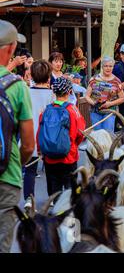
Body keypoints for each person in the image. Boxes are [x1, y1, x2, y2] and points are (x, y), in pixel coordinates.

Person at [0, 20, 34, 253]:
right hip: (7, 174)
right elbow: (29, 144)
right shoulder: (18, 86)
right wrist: (17, 163)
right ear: (11, 49)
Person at [37, 77, 85, 197]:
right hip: (69, 156)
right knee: (70, 192)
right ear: (69, 92)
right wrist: (74, 145)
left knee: (54, 192)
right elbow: (80, 133)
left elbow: (40, 133)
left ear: (54, 91)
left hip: (49, 158)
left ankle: (55, 211)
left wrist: (40, 150)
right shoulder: (72, 110)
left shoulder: (46, 110)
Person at [23, 60, 53, 209]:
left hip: (29, 138)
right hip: (49, 139)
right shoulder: (53, 95)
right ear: (49, 77)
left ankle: (29, 199)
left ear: (32, 76)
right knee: (51, 170)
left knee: (29, 171)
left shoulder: (26, 93)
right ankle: (52, 198)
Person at [85, 57, 124, 132]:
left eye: (110, 66)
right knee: (97, 135)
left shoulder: (116, 81)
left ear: (113, 67)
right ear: (102, 67)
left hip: (110, 111)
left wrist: (110, 103)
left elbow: (123, 98)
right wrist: (93, 102)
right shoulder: (94, 79)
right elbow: (87, 96)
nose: (108, 68)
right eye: (106, 66)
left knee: (108, 134)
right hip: (95, 111)